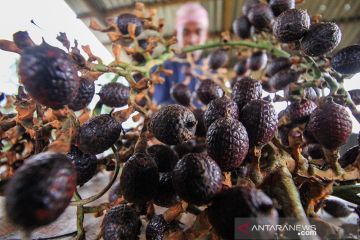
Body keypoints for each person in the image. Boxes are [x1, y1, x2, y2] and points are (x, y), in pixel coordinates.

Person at [153, 2, 209, 105]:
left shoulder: (212, 72)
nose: (192, 40)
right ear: (176, 34)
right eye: (185, 32)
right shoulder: (160, 69)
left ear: (206, 35)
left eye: (198, 32)